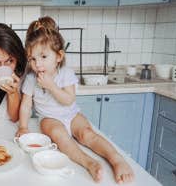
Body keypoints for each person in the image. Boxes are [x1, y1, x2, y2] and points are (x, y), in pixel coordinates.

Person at [16, 16, 134, 184]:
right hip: (49, 118)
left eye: (43, 57)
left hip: (71, 114)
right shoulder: (31, 78)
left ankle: (116, 159)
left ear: (58, 56)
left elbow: (69, 100)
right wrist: (23, 126)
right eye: (32, 59)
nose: (37, 64)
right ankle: (89, 163)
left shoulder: (66, 74)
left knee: (87, 134)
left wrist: (51, 86)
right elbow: (26, 104)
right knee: (60, 136)